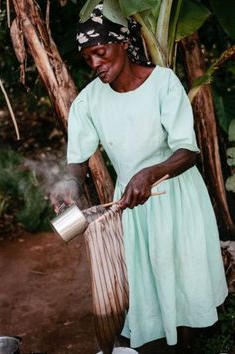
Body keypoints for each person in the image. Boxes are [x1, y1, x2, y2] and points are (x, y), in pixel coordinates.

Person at [50, 3, 228, 353]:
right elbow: (78, 161)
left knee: (182, 275)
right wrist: (70, 182)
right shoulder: (88, 103)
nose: (95, 64)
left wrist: (151, 172)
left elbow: (188, 152)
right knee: (148, 277)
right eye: (87, 58)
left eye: (100, 52)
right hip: (134, 205)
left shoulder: (163, 83)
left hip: (175, 195)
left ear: (121, 43)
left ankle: (184, 343)